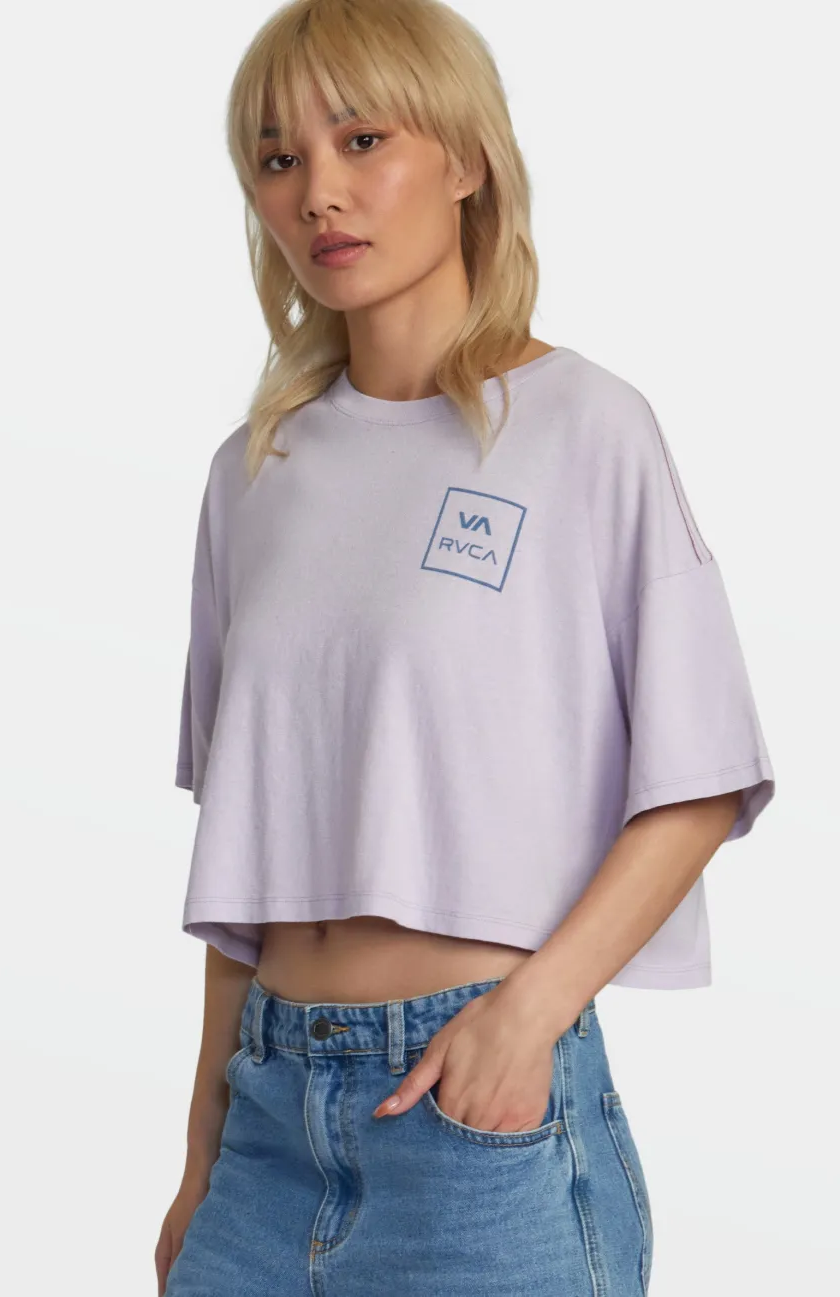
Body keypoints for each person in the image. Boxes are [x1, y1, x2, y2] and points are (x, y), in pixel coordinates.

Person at [156, 1, 775, 1294]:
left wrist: (527, 1019)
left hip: (472, 1111)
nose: (319, 193)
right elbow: (244, 858)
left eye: (362, 139)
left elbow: (699, 777)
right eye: (278, 159)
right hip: (268, 1122)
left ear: (467, 158)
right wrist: (202, 1154)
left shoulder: (583, 428)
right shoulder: (253, 472)